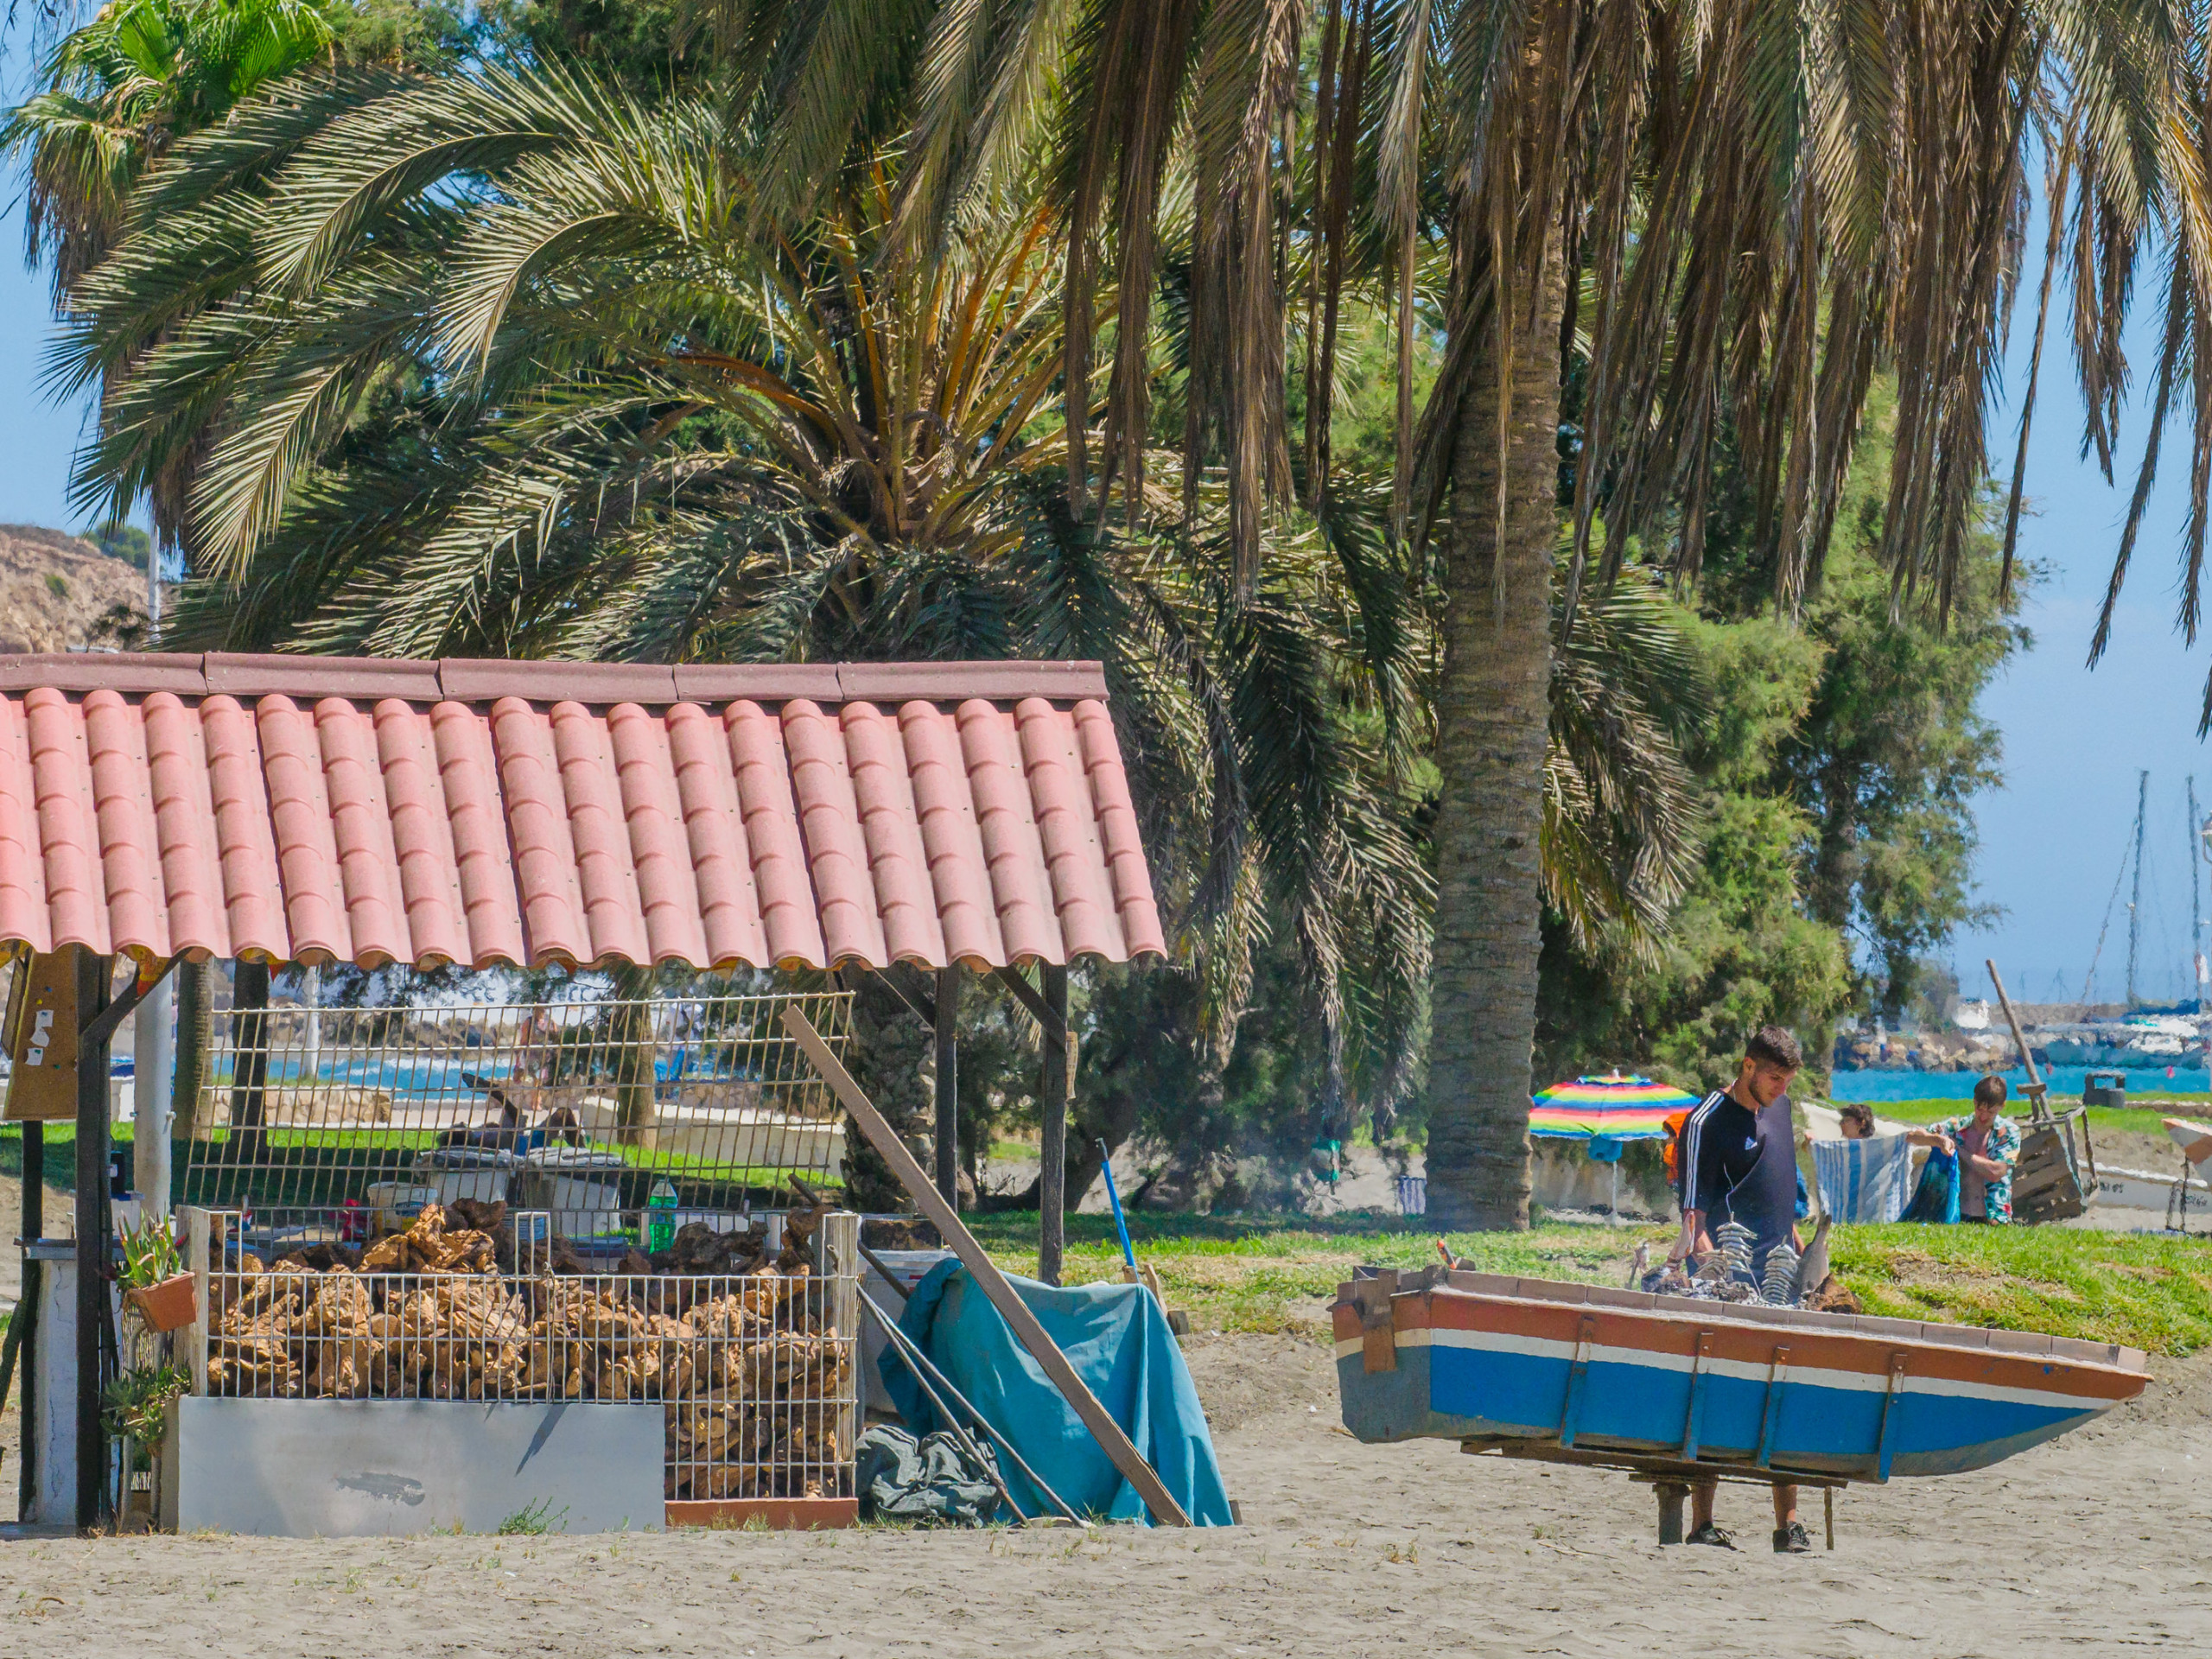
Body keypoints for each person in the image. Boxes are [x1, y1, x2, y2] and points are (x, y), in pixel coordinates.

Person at [1668, 1026, 1814, 1554]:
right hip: (1728, 1283)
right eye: (1774, 1077)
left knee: (1785, 1394)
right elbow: (1693, 1214)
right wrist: (1719, 1278)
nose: (1781, 1087)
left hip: (1782, 1276)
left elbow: (1781, 1193)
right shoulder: (1706, 1121)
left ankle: (1789, 1525)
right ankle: (1703, 1523)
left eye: (1788, 1079)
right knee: (1717, 1395)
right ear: (1747, 1066)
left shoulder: (1780, 1107)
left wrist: (1802, 1255)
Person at [1927, 1076, 2022, 1224]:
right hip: (1957, 1215)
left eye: (1990, 1112)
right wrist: (1940, 1140)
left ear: (2002, 1106)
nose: (1983, 1116)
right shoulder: (1957, 1127)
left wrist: (1959, 1150)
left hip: (1994, 1219)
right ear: (1974, 1101)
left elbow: (1996, 1172)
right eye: (1980, 1109)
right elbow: (1916, 1135)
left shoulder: (2009, 1133)